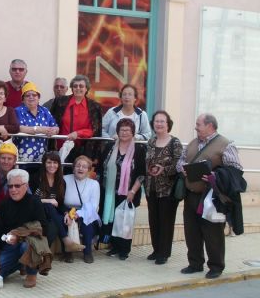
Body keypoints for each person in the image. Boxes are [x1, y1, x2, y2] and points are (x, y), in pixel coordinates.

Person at [177, 113, 243, 279]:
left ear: (210, 126)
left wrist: (215, 175)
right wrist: (182, 168)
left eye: (198, 124)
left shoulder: (226, 145)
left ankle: (216, 266)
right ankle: (195, 263)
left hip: (212, 198)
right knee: (191, 231)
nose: (195, 127)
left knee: (213, 233)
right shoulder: (192, 143)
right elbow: (181, 161)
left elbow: (235, 170)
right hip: (191, 195)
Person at [0, 169, 49, 288]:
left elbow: (44, 228)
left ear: (26, 186)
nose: (13, 190)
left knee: (26, 245)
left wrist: (19, 236)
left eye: (17, 186)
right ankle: (21, 264)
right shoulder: (4, 204)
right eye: (10, 186)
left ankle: (31, 273)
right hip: (10, 246)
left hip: (29, 243)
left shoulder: (35, 202)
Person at [98, 118, 146, 260]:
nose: (124, 132)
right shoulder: (110, 147)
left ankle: (124, 250)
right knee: (113, 219)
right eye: (121, 129)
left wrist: (133, 191)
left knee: (125, 221)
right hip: (109, 191)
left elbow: (142, 174)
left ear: (133, 132)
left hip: (128, 191)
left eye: (127, 130)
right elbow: (101, 167)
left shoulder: (139, 149)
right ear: (117, 131)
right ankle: (114, 247)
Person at [145, 110, 183, 265]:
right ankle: (156, 249)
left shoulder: (175, 142)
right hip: (151, 188)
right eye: (156, 121)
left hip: (167, 189)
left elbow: (179, 165)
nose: (159, 124)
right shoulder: (151, 142)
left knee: (166, 221)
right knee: (153, 220)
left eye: (162, 121)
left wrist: (164, 169)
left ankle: (164, 253)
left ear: (168, 124)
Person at [34, 151, 85, 254]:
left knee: (54, 225)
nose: (52, 165)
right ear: (44, 163)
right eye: (49, 162)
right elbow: (29, 199)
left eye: (55, 162)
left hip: (51, 215)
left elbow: (60, 203)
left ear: (58, 164)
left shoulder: (61, 182)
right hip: (36, 211)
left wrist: (67, 213)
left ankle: (42, 254)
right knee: (49, 205)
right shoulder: (35, 178)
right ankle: (66, 240)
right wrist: (48, 200)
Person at [49, 74, 103, 166]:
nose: (78, 88)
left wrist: (78, 133)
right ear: (72, 88)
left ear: (86, 89)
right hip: (60, 147)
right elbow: (52, 120)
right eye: (75, 86)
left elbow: (94, 130)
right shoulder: (60, 102)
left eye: (81, 86)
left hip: (83, 150)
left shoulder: (95, 106)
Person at [62, 155, 101, 263]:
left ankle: (87, 252)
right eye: (78, 166)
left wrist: (78, 214)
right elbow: (60, 199)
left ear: (88, 170)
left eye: (84, 166)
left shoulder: (94, 184)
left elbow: (93, 206)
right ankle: (67, 252)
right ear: (73, 168)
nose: (80, 168)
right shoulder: (65, 179)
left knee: (87, 224)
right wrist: (68, 213)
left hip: (86, 210)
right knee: (64, 221)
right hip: (67, 209)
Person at [14, 82, 59, 164]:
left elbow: (55, 126)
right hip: (22, 158)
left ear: (38, 98)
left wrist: (54, 131)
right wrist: (39, 129)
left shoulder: (45, 111)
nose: (31, 97)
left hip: (41, 158)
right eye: (27, 95)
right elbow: (18, 128)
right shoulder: (18, 111)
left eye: (34, 95)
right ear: (23, 99)